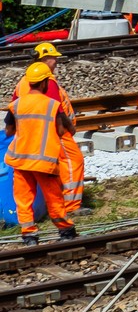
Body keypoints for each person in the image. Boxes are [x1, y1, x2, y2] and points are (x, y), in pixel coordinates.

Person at [5, 62, 77, 245]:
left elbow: (8, 131)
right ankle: (65, 231)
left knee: (23, 199)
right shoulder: (52, 105)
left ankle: (29, 234)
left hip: (20, 160)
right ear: (45, 82)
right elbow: (62, 131)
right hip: (44, 161)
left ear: (29, 82)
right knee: (53, 198)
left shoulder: (16, 105)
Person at [16, 42, 84, 218]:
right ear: (45, 59)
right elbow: (56, 110)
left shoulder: (23, 82)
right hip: (55, 131)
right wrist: (67, 127)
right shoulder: (48, 82)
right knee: (73, 162)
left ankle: (39, 212)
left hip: (32, 133)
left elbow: (15, 108)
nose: (56, 62)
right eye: (53, 58)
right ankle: (71, 205)